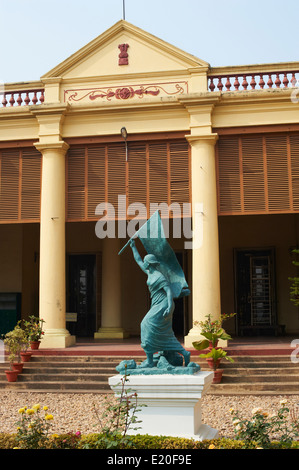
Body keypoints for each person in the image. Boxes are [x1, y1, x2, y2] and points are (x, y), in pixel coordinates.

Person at [129, 239, 190, 368]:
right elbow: (138, 260)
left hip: (163, 304)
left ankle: (150, 360)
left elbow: (168, 292)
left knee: (145, 324)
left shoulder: (159, 276)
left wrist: (169, 306)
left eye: (146, 261)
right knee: (164, 332)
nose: (143, 263)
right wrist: (133, 247)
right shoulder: (149, 273)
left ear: (149, 263)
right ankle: (184, 353)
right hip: (156, 304)